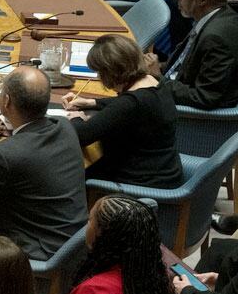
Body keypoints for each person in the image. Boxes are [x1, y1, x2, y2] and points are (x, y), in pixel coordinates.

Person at [0, 66, 89, 260]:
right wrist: (11, 126)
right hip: (69, 245)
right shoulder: (64, 127)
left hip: (33, 253)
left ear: (6, 101)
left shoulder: (7, 155)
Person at [63, 34, 183, 188]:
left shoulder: (130, 104)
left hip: (141, 181)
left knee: (66, 176)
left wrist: (75, 117)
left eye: (100, 72)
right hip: (163, 168)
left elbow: (81, 135)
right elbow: (127, 104)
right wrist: (92, 102)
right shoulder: (153, 82)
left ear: (110, 72)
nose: (99, 77)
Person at [164, 0, 238, 110]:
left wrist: (158, 81)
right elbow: (185, 61)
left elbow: (204, 97)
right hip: (182, 84)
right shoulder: (216, 14)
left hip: (194, 117)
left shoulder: (217, 38)